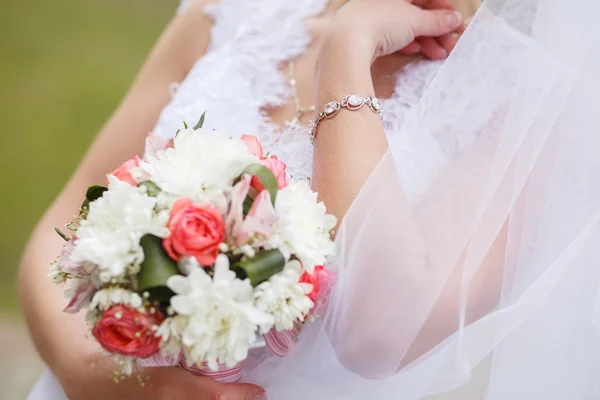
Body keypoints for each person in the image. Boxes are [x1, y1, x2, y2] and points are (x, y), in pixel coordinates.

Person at [24, 0, 600, 398]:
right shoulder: (232, 15)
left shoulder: (527, 107)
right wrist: (87, 377)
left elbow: (374, 335)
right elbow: (72, 212)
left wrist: (346, 55)